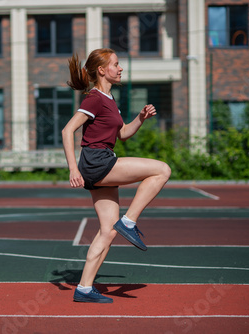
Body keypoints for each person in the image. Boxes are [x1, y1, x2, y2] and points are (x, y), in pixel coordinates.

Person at [61, 48, 171, 303]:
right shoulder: (95, 98)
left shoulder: (109, 100)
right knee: (162, 169)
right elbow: (68, 131)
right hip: (96, 161)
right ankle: (129, 221)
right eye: (116, 64)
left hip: (100, 160)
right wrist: (72, 168)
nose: (120, 68)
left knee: (108, 231)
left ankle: (85, 288)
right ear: (102, 70)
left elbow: (122, 134)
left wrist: (141, 118)